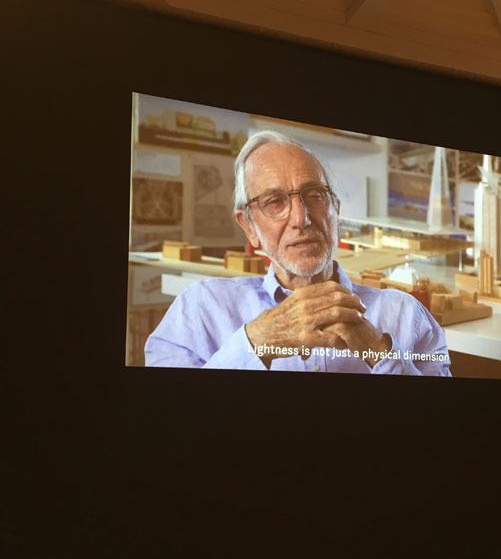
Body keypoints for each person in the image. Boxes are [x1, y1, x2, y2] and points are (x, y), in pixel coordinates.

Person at [145, 130, 451, 376]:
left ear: (336, 211)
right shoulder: (200, 309)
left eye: (314, 196)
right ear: (249, 226)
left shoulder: (406, 315)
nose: (301, 218)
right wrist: (256, 342)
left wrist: (378, 351)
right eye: (275, 201)